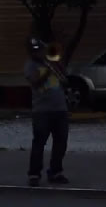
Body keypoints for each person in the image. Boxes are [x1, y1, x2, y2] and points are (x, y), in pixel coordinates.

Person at [24, 37, 70, 187]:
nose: (38, 53)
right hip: (42, 111)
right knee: (39, 143)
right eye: (35, 51)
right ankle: (34, 174)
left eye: (40, 50)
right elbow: (36, 83)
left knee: (61, 142)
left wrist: (57, 64)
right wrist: (48, 70)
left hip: (60, 109)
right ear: (31, 52)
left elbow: (65, 80)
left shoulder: (51, 63)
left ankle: (56, 172)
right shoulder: (30, 65)